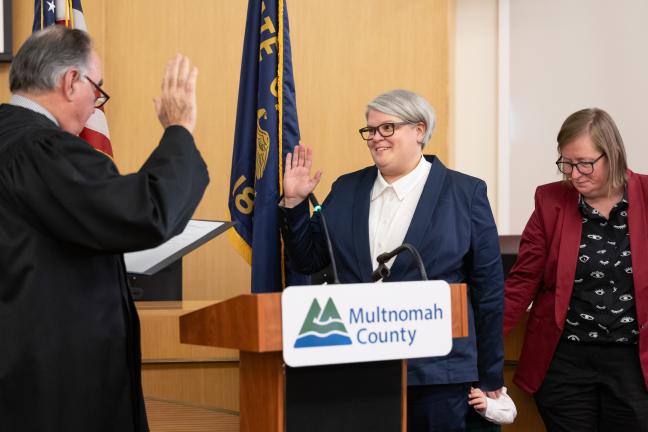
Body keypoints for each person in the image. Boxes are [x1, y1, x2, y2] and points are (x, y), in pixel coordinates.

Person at [0, 27, 208, 431]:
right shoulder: (40, 150)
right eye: (98, 90)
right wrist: (179, 130)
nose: (96, 104)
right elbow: (148, 211)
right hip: (56, 390)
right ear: (70, 81)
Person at [280, 89, 504, 431]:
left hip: (437, 374)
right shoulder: (346, 189)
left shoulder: (465, 193)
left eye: (387, 128)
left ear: (419, 130)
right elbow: (308, 259)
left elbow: (488, 291)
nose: (375, 139)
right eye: (370, 130)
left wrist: (490, 376)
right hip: (360, 369)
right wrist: (295, 204)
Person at [504, 108, 648, 431]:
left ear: (611, 155)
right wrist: (480, 342)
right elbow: (522, 281)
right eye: (566, 164)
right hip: (566, 362)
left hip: (634, 363)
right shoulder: (550, 201)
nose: (573, 174)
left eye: (584, 163)